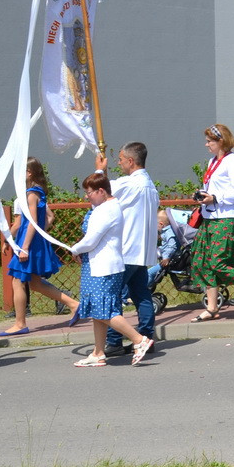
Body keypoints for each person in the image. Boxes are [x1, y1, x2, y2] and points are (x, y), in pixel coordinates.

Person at [65, 172, 155, 367]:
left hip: (103, 268)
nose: (87, 196)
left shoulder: (106, 210)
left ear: (101, 191)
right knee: (99, 311)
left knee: (105, 311)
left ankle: (139, 340)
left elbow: (91, 240)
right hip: (101, 266)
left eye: (89, 192)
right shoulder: (109, 206)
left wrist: (75, 249)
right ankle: (98, 353)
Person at [92, 141, 161, 358]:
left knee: (112, 295)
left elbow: (99, 195)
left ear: (131, 161)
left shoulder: (128, 184)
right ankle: (146, 336)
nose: (119, 163)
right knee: (141, 294)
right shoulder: (150, 186)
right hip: (143, 249)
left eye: (121, 159)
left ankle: (114, 340)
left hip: (127, 248)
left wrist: (99, 171)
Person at [189, 123, 234, 322]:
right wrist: (203, 196)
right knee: (204, 261)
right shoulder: (213, 162)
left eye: (209, 141)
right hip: (210, 217)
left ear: (221, 141)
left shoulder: (232, 161)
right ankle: (212, 307)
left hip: (226, 218)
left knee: (218, 262)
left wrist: (215, 198)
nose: (206, 144)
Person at [0, 157, 77, 335]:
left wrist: (25, 246)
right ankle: (74, 304)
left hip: (27, 242)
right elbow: (47, 217)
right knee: (34, 283)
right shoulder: (36, 192)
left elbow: (31, 221)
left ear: (29, 173)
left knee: (18, 280)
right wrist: (39, 235)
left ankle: (20, 323)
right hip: (32, 240)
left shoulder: (31, 194)